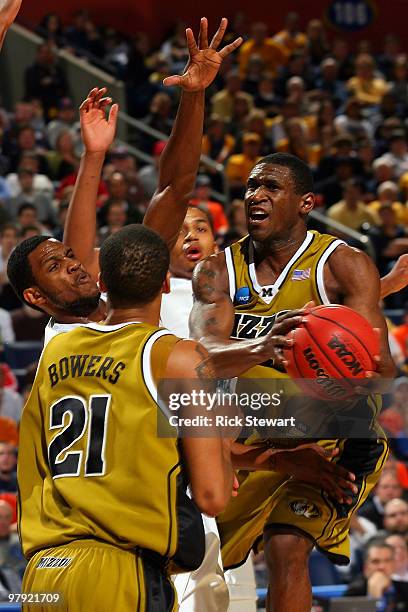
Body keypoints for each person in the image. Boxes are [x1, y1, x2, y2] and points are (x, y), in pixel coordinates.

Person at [188, 152, 395, 612]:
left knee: (287, 546)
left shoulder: (343, 264)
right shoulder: (216, 270)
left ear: (306, 203)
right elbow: (203, 358)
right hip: (254, 447)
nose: (256, 195)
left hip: (332, 441)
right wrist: (266, 346)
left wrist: (330, 374)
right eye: (251, 187)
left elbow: (382, 375)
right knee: (193, 560)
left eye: (271, 187)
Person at [18, 224, 235, 611]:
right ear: (165, 285)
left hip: (43, 571)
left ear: (102, 283)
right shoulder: (178, 357)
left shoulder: (56, 349)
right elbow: (212, 496)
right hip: (118, 567)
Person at [345, 538, 408, 609]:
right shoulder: (354, 593)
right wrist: (374, 598)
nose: (382, 566)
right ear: (366, 567)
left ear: (394, 565)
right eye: (375, 561)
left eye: (387, 561)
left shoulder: (405, 589)